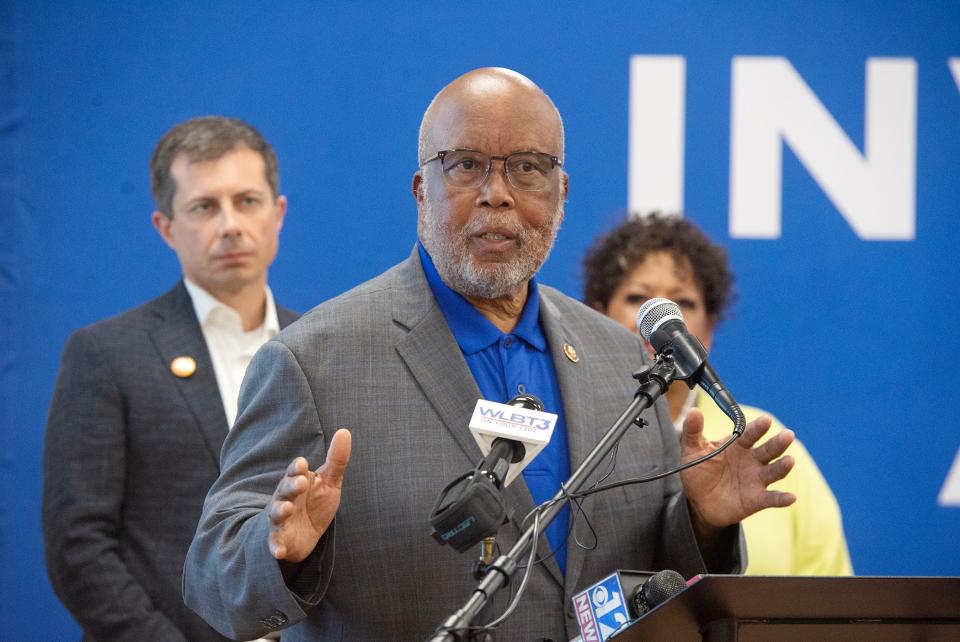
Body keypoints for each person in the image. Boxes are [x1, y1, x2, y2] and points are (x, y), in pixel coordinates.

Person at [183, 69, 796, 642]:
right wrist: (278, 551)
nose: (496, 195)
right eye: (467, 165)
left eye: (527, 168)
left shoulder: (618, 359)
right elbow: (211, 574)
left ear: (561, 192)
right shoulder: (313, 361)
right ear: (422, 189)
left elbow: (649, 568)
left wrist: (702, 520)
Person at [42, 116, 298, 641]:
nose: (230, 224)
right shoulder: (108, 355)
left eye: (247, 201)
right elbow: (78, 545)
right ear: (166, 227)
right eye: (204, 206)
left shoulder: (323, 345)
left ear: (277, 213)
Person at [582, 212, 853, 575]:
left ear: (707, 329)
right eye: (637, 299)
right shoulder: (575, 432)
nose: (662, 325)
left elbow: (830, 599)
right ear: (598, 317)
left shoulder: (762, 442)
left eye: (684, 304)